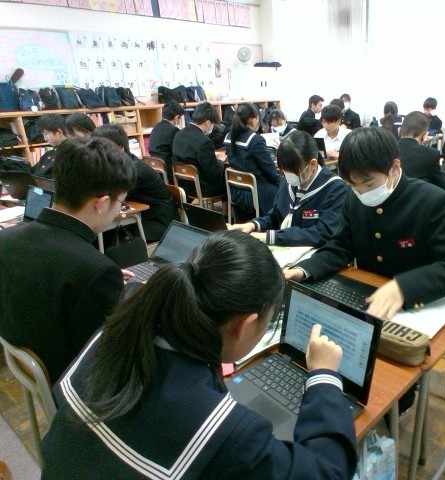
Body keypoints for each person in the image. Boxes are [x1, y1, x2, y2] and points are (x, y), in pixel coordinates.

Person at [41, 231, 357, 479]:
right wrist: (324, 376)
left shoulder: (115, 333)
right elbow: (328, 470)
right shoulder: (228, 432)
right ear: (245, 325)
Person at [286, 127, 445, 320]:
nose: (361, 192)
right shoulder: (353, 198)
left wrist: (404, 287)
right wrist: (304, 269)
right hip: (368, 301)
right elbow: (341, 245)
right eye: (352, 184)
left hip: (418, 306)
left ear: (394, 167)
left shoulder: (432, 202)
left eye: (369, 184)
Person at [0, 137, 136, 383]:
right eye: (121, 202)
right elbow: (111, 354)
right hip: (74, 381)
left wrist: (104, 284)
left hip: (31, 364)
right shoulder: (93, 270)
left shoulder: (6, 240)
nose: (119, 209)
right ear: (102, 203)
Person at [229, 131, 347, 247]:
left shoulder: (335, 189)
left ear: (312, 164)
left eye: (293, 171)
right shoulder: (289, 183)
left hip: (314, 253)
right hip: (285, 248)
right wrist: (253, 225)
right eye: (284, 171)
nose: (288, 175)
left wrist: (269, 237)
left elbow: (322, 233)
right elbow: (275, 216)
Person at [93, 124, 177, 242]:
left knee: (107, 234)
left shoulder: (134, 170)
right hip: (143, 216)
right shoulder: (122, 164)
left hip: (158, 223)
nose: (98, 154)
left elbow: (112, 196)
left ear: (120, 147)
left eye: (102, 149)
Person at [225, 102, 280, 221]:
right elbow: (271, 171)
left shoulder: (229, 137)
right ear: (254, 119)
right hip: (256, 192)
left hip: (236, 190)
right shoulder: (255, 140)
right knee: (283, 187)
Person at [173, 102, 226, 197]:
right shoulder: (205, 142)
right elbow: (213, 175)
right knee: (229, 181)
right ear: (208, 123)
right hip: (200, 187)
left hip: (182, 184)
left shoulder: (179, 134)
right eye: (213, 124)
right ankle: (227, 207)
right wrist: (220, 161)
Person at [398, 111, 445, 191]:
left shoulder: (387, 149)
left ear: (399, 130)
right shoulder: (430, 154)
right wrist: (441, 166)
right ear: (425, 135)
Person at [148, 101, 185, 184]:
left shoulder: (156, 127)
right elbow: (179, 152)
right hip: (168, 170)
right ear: (177, 117)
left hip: (156, 168)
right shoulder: (173, 130)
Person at [32, 114, 68, 178]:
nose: (45, 139)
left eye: (46, 134)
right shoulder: (48, 154)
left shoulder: (71, 154)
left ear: (59, 132)